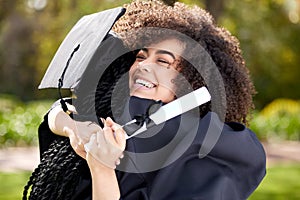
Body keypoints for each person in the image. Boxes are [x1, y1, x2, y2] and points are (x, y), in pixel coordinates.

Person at [23, 1, 266, 200]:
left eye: (163, 62)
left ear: (193, 82)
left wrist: (102, 169)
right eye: (140, 56)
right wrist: (77, 129)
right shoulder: (119, 111)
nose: (144, 67)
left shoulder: (202, 144)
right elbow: (58, 111)